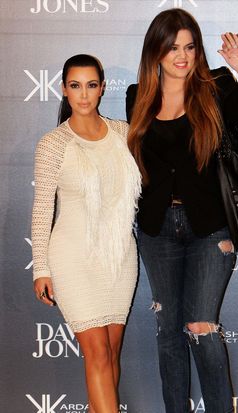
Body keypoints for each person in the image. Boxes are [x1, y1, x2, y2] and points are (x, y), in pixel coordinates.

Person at [126, 8, 238, 413]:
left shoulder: (216, 87)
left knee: (200, 326)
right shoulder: (136, 97)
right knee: (168, 333)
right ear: (156, 51)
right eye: (173, 47)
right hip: (157, 230)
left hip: (210, 229)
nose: (182, 56)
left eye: (190, 47)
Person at [32, 54, 141, 413]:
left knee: (110, 354)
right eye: (75, 86)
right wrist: (41, 268)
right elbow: (43, 208)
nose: (83, 95)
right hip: (74, 259)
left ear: (102, 88)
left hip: (120, 258)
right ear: (64, 89)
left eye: (91, 85)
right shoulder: (53, 143)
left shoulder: (124, 133)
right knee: (96, 354)